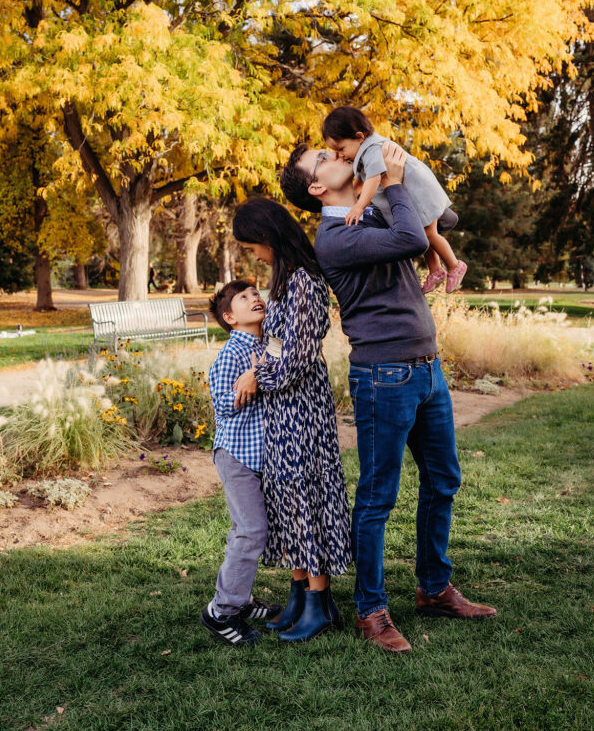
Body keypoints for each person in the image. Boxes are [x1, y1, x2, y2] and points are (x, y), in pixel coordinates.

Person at [280, 143, 496, 654]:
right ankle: (371, 611)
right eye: (326, 156)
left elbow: (419, 231)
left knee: (444, 480)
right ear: (317, 186)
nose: (340, 154)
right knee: (378, 497)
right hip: (384, 375)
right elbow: (404, 238)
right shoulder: (334, 238)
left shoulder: (369, 211)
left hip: (427, 367)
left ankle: (433, 588)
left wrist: (401, 189)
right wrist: (396, 181)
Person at [232, 198, 352, 643]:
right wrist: (261, 365)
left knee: (305, 495)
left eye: (253, 245)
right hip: (283, 409)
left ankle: (319, 602)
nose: (254, 255)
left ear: (269, 237)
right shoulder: (283, 281)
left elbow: (295, 359)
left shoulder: (304, 281)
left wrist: (256, 374)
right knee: (287, 498)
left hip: (301, 406)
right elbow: (277, 346)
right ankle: (301, 593)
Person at [200, 280, 281, 647]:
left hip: (258, 457)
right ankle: (222, 611)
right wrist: (251, 380)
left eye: (255, 293)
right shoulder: (233, 354)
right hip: (236, 456)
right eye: (244, 298)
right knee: (252, 532)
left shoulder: (268, 343)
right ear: (231, 318)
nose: (255, 298)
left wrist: (263, 369)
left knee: (241, 531)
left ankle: (242, 598)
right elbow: (222, 404)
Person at [323, 105, 467, 293]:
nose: (340, 155)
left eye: (341, 148)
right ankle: (435, 270)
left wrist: (359, 206)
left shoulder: (372, 148)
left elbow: (374, 177)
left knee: (430, 234)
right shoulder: (363, 152)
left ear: (359, 137)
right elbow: (362, 181)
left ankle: (455, 265)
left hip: (419, 193)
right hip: (412, 193)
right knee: (423, 235)